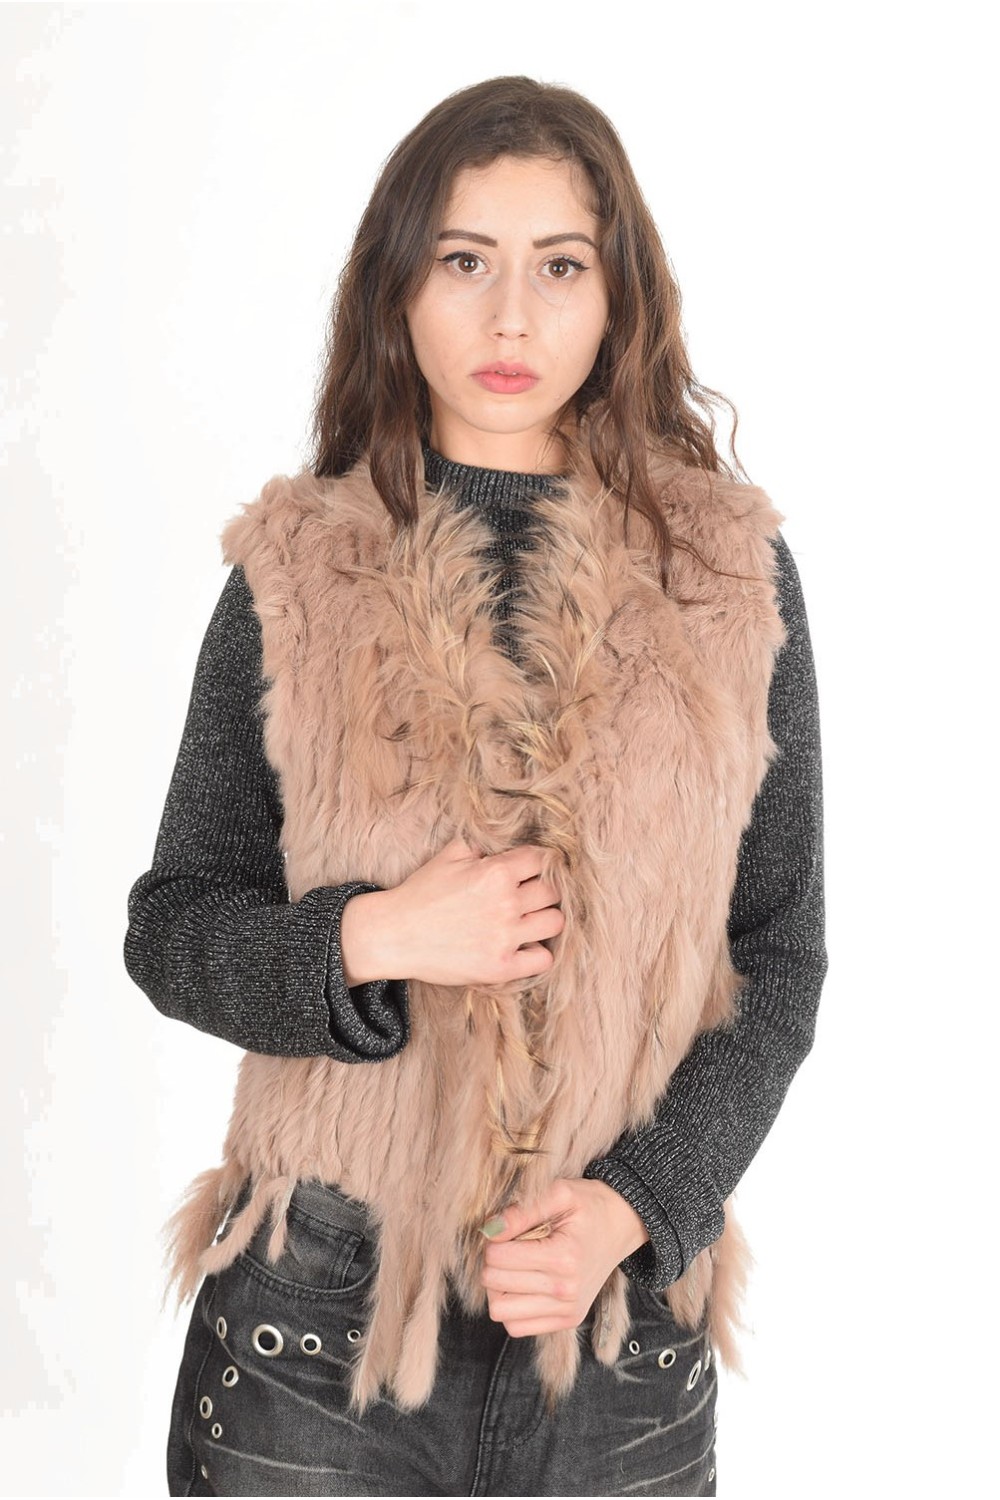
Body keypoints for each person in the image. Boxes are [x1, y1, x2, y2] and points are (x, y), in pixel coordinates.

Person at [124, 75, 827, 1498]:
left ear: (619, 298)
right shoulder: (296, 574)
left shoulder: (730, 580)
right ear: (399, 286)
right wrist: (373, 937)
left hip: (617, 1344)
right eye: (464, 262)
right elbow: (174, 928)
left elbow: (780, 960)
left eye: (560, 267)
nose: (512, 318)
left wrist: (634, 1207)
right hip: (320, 1336)